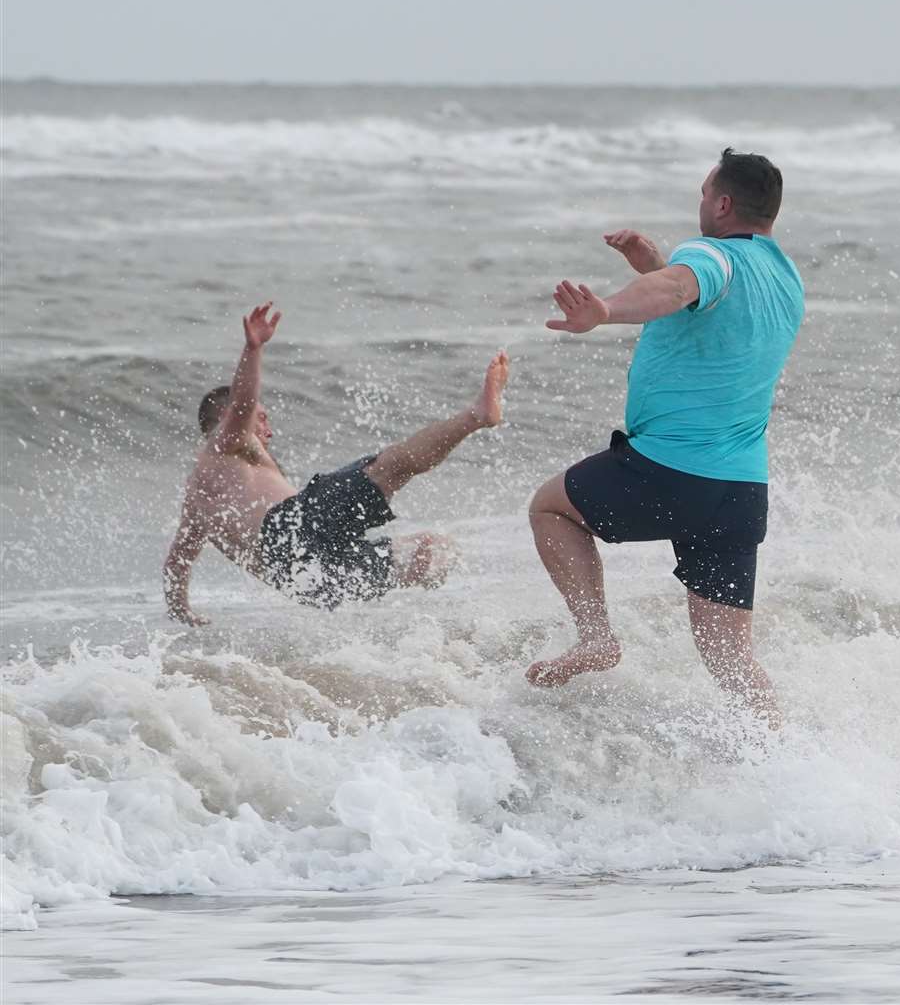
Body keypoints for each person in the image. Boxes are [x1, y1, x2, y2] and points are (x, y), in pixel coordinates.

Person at [524, 149, 804, 726]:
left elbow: (679, 288)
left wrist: (604, 310)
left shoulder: (708, 254)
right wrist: (647, 261)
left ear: (723, 204)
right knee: (731, 658)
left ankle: (595, 636)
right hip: (740, 491)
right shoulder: (784, 275)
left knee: (551, 508)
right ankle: (783, 758)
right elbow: (693, 297)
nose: (701, 202)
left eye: (705, 193)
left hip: (672, 470)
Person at [163, 303, 508, 622]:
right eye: (263, 418)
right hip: (288, 532)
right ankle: (476, 415)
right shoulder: (228, 443)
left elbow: (177, 562)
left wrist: (182, 613)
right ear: (224, 419)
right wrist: (253, 350)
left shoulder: (197, 500)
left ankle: (442, 650)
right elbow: (242, 403)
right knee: (388, 468)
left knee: (431, 553)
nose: (268, 428)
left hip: (302, 580)